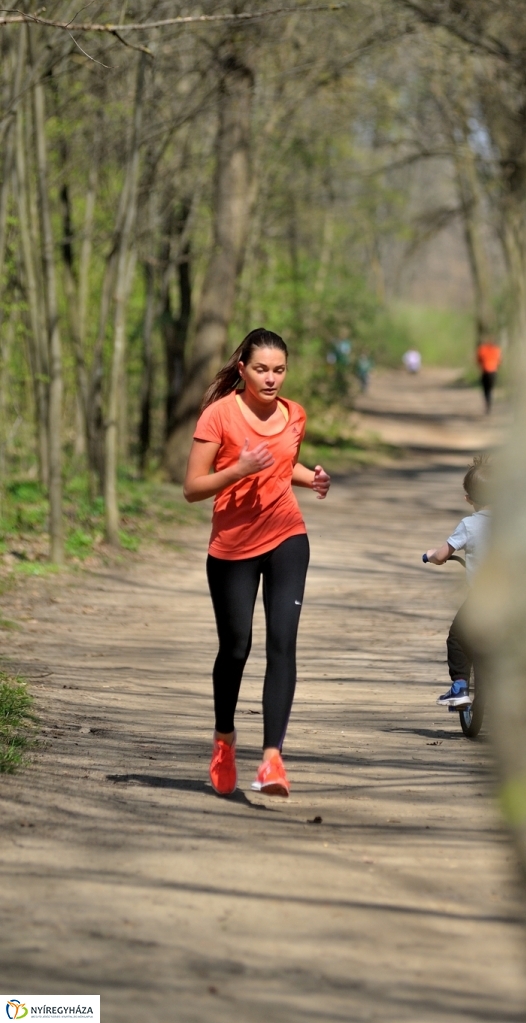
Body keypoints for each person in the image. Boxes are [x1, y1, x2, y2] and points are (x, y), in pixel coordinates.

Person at [183, 328, 330, 798]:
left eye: (279, 370)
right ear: (243, 369)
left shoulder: (294, 414)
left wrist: (312, 479)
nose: (271, 379)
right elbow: (192, 487)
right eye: (262, 369)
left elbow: (281, 466)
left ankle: (272, 760)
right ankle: (224, 739)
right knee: (236, 648)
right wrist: (237, 470)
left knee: (283, 644)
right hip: (232, 546)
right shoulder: (219, 415)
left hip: (287, 536)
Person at [424, 455, 491, 705]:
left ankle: (460, 687)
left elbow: (442, 555)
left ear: (468, 499)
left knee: (458, 638)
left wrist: (431, 555)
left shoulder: (470, 525)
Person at [476, 339, 502, 412]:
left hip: (485, 372)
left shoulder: (482, 349)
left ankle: (488, 402)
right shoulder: (497, 350)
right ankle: (489, 402)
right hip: (493, 372)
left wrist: (481, 366)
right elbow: (499, 361)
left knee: (486, 389)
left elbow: (478, 360)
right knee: (490, 389)